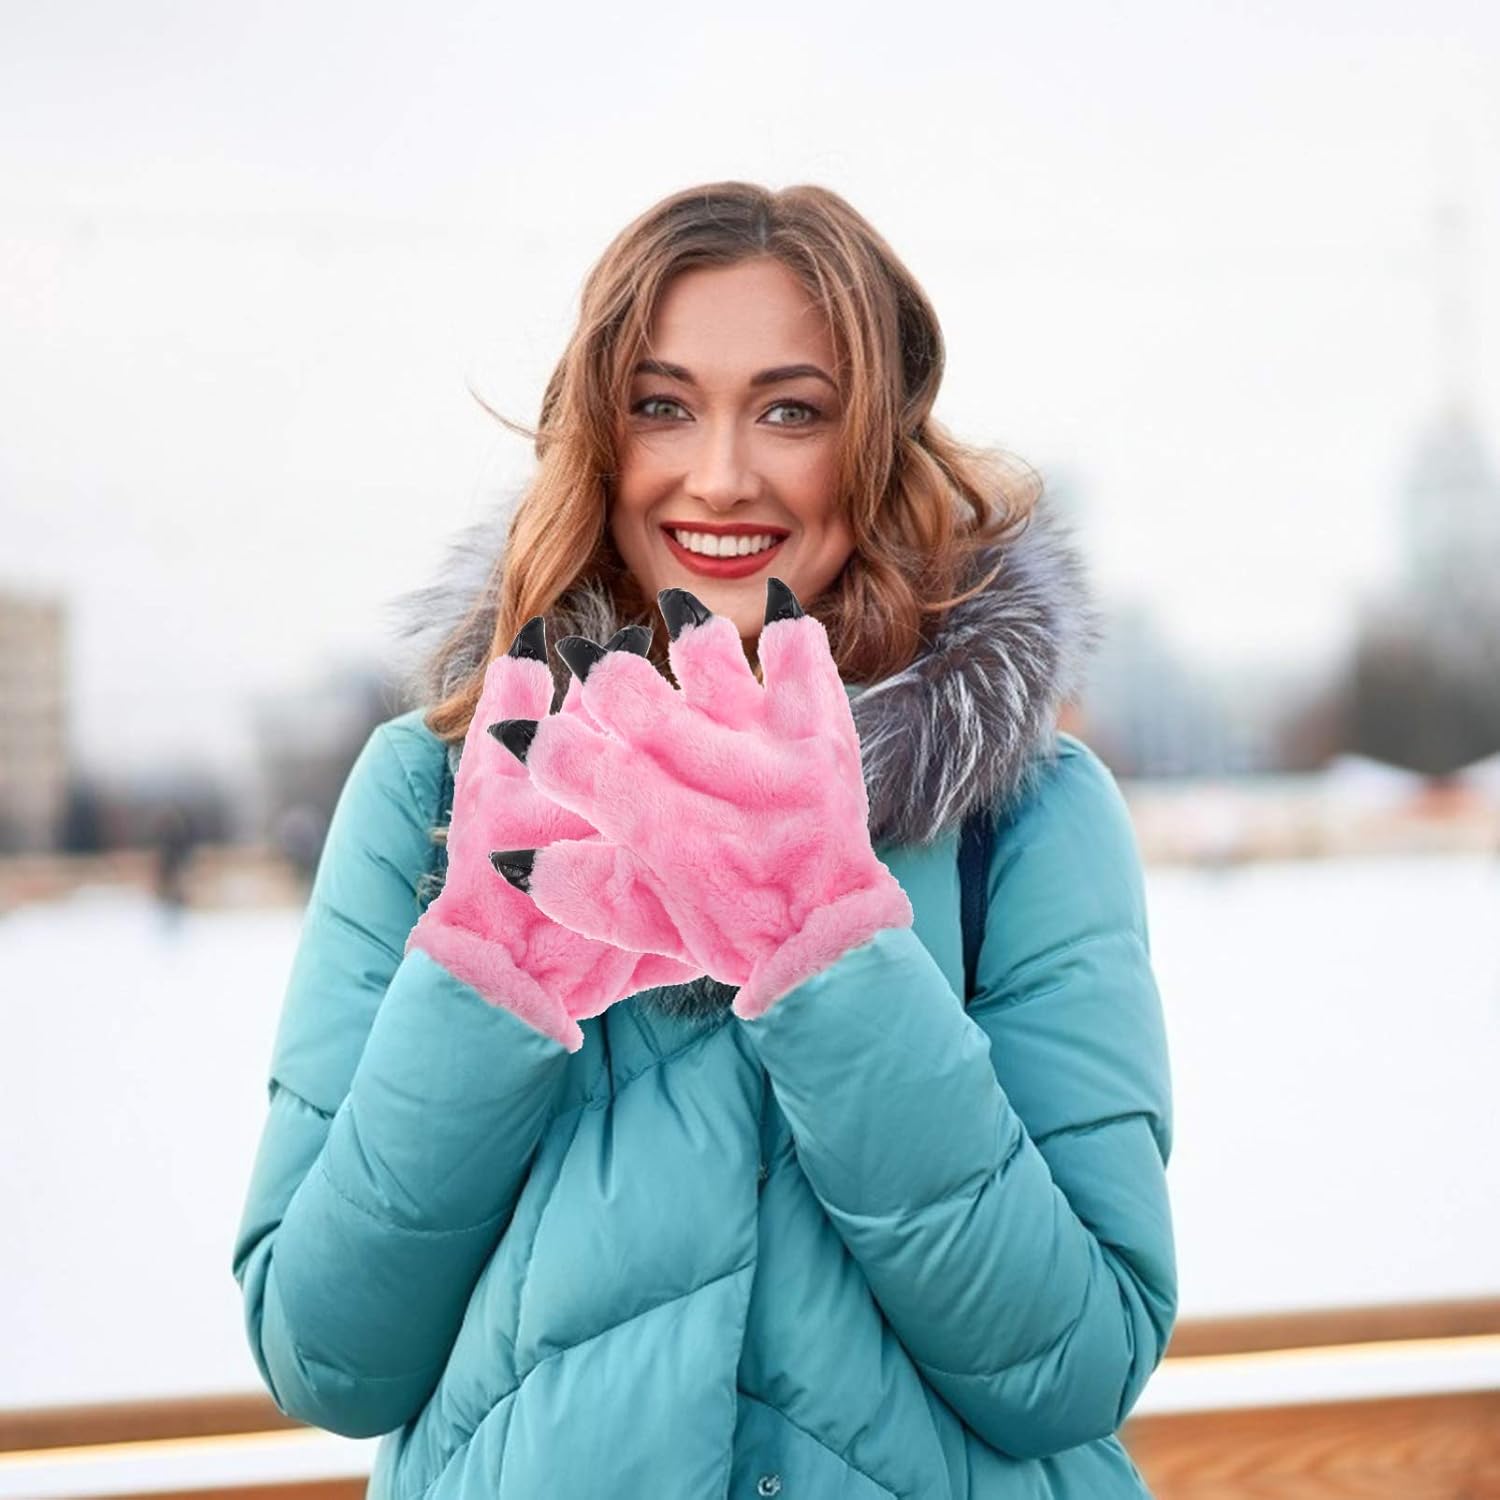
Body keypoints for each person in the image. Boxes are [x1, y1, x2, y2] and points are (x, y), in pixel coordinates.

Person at [232, 181, 1176, 1499]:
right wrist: (484, 988)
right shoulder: (431, 795)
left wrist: (831, 950)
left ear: (876, 445)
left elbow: (1074, 1365)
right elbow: (327, 1359)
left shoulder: (1020, 812)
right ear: (596, 436)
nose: (722, 474)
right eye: (662, 405)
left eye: (793, 411)